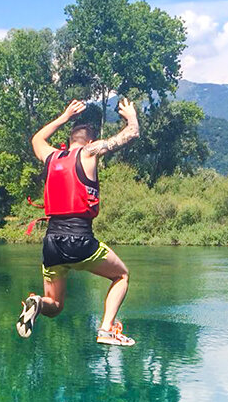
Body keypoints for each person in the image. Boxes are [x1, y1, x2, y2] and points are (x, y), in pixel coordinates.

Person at [16, 97, 140, 346]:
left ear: (69, 140)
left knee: (55, 305)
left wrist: (64, 116)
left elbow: (36, 140)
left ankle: (38, 302)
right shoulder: (90, 153)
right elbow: (132, 134)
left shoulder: (51, 157)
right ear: (90, 142)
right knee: (122, 276)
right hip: (79, 239)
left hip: (51, 243)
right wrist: (131, 116)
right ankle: (106, 330)